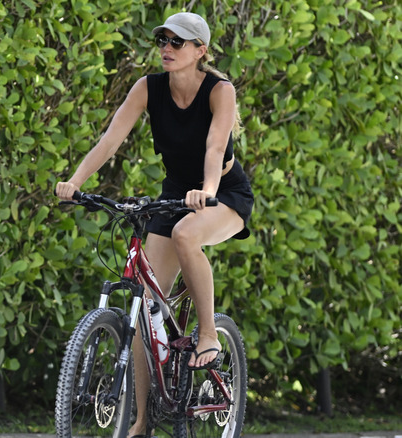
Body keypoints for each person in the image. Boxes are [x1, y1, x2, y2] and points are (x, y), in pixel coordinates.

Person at [55, 12, 254, 438]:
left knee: (186, 234)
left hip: (223, 193)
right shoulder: (147, 87)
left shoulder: (220, 91)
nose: (166, 47)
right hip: (174, 193)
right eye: (162, 39)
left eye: (177, 42)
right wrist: (75, 182)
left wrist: (208, 190)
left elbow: (216, 145)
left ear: (200, 50)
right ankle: (142, 422)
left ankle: (208, 335)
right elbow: (110, 138)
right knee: (146, 309)